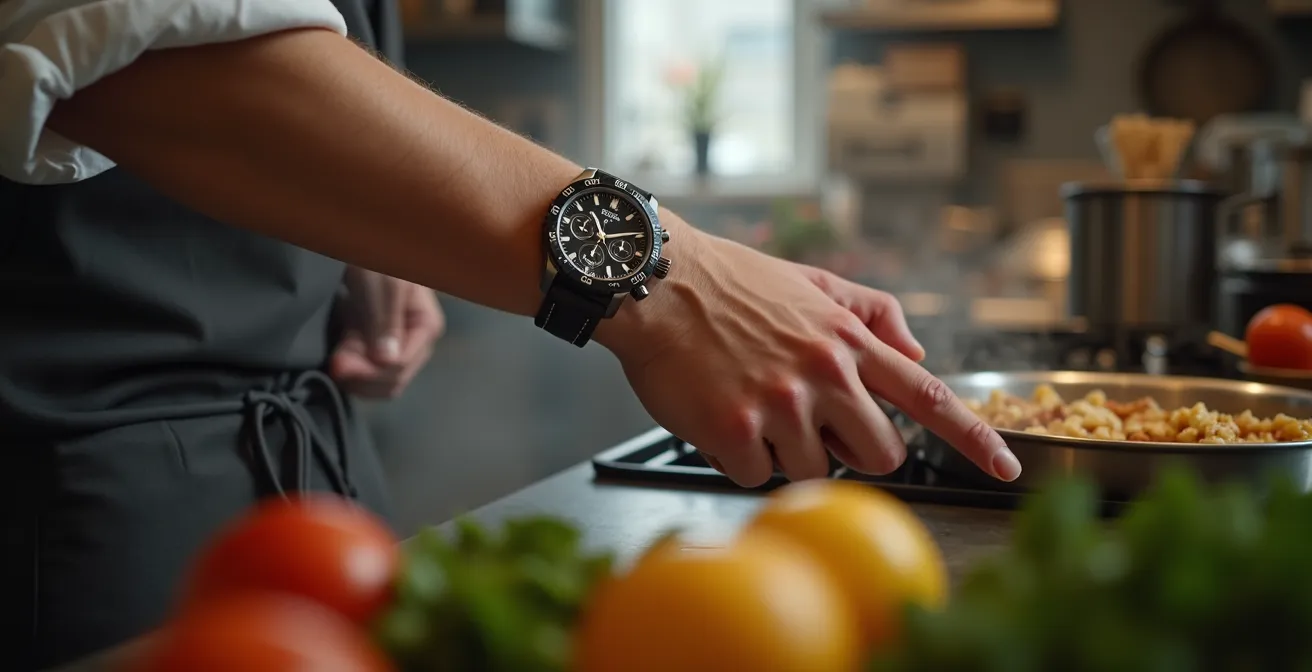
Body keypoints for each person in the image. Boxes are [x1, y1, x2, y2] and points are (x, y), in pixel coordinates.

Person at [0, 0, 1021, 667]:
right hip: (81, 497)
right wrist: (669, 279)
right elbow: (117, 45)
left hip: (314, 471)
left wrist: (361, 246)